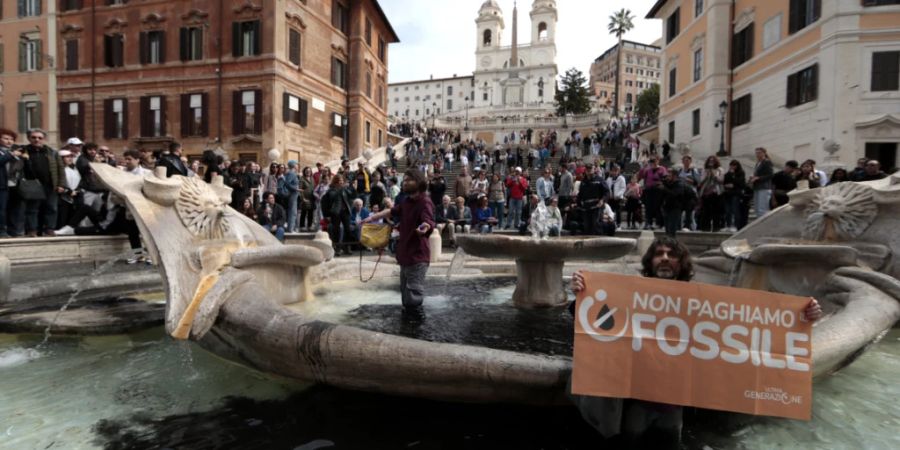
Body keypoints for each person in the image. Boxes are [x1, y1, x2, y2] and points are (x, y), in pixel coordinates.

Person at [570, 237, 822, 448]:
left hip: (673, 405)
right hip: (635, 402)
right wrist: (581, 294)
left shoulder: (703, 302)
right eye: (659, 254)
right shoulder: (627, 293)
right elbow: (587, 316)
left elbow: (753, 329)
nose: (665, 258)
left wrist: (803, 316)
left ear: (682, 263)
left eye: (672, 254)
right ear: (650, 261)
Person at [362, 169, 435, 314]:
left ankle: (415, 331)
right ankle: (407, 328)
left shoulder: (424, 201)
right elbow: (391, 211)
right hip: (405, 255)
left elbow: (428, 222)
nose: (405, 182)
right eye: (405, 180)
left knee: (413, 296)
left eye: (409, 180)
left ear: (419, 182)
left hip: (417, 257)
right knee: (405, 295)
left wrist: (424, 227)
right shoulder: (406, 201)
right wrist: (371, 218)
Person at [22, 129, 65, 237]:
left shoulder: (52, 152)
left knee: (52, 208)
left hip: (50, 184)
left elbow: (61, 169)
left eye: (40, 138)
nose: (37, 140)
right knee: (32, 209)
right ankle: (32, 230)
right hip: (32, 185)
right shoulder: (23, 151)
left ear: (44, 139)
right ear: (29, 138)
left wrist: (61, 184)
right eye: (34, 137)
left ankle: (49, 229)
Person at [321, 174, 354, 255]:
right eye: (339, 181)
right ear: (335, 182)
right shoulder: (331, 191)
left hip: (345, 211)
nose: (341, 182)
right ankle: (337, 248)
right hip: (335, 212)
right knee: (336, 230)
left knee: (348, 229)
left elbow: (351, 198)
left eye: (342, 181)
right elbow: (326, 203)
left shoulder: (345, 189)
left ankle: (347, 247)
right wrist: (326, 215)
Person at [638, 157, 667, 230]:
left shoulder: (662, 169)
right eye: (651, 162)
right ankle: (648, 223)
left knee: (658, 207)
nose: (653, 163)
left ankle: (659, 223)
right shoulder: (648, 170)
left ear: (657, 161)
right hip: (649, 191)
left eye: (654, 162)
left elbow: (665, 179)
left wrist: (660, 183)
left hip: (658, 191)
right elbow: (643, 178)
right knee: (648, 207)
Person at [697, 155, 724, 232]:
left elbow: (721, 180)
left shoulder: (719, 169)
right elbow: (701, 181)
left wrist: (714, 174)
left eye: (713, 161)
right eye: (710, 161)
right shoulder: (704, 170)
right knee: (706, 211)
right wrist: (706, 176)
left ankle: (716, 227)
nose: (711, 162)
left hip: (716, 192)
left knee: (716, 212)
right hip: (706, 193)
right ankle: (706, 228)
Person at [659, 170, 687, 237]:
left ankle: (672, 244)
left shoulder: (679, 184)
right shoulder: (668, 184)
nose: (668, 177)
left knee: (672, 229)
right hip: (667, 208)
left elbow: (674, 194)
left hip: (675, 209)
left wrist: (664, 188)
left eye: (669, 175)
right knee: (667, 230)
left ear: (674, 176)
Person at [749, 147, 774, 219]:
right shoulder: (758, 163)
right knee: (757, 208)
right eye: (756, 153)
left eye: (759, 153)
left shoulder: (767, 161)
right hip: (757, 187)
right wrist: (753, 177)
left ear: (764, 153)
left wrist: (758, 178)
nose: (757, 154)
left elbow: (771, 175)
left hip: (764, 187)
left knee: (762, 209)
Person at [722, 160, 746, 232]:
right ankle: (728, 225)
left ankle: (736, 225)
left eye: (734, 165)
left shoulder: (741, 173)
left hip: (736, 194)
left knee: (735, 210)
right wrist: (729, 184)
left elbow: (741, 183)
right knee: (728, 211)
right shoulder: (728, 173)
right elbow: (725, 182)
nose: (732, 167)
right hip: (728, 194)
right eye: (731, 165)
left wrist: (733, 178)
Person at [283, 161, 300, 232]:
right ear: (294, 165)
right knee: (292, 212)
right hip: (292, 194)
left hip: (294, 194)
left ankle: (291, 228)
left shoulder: (293, 173)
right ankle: (291, 229)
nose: (298, 166)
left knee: (293, 211)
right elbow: (287, 183)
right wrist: (295, 188)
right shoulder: (291, 173)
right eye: (297, 164)